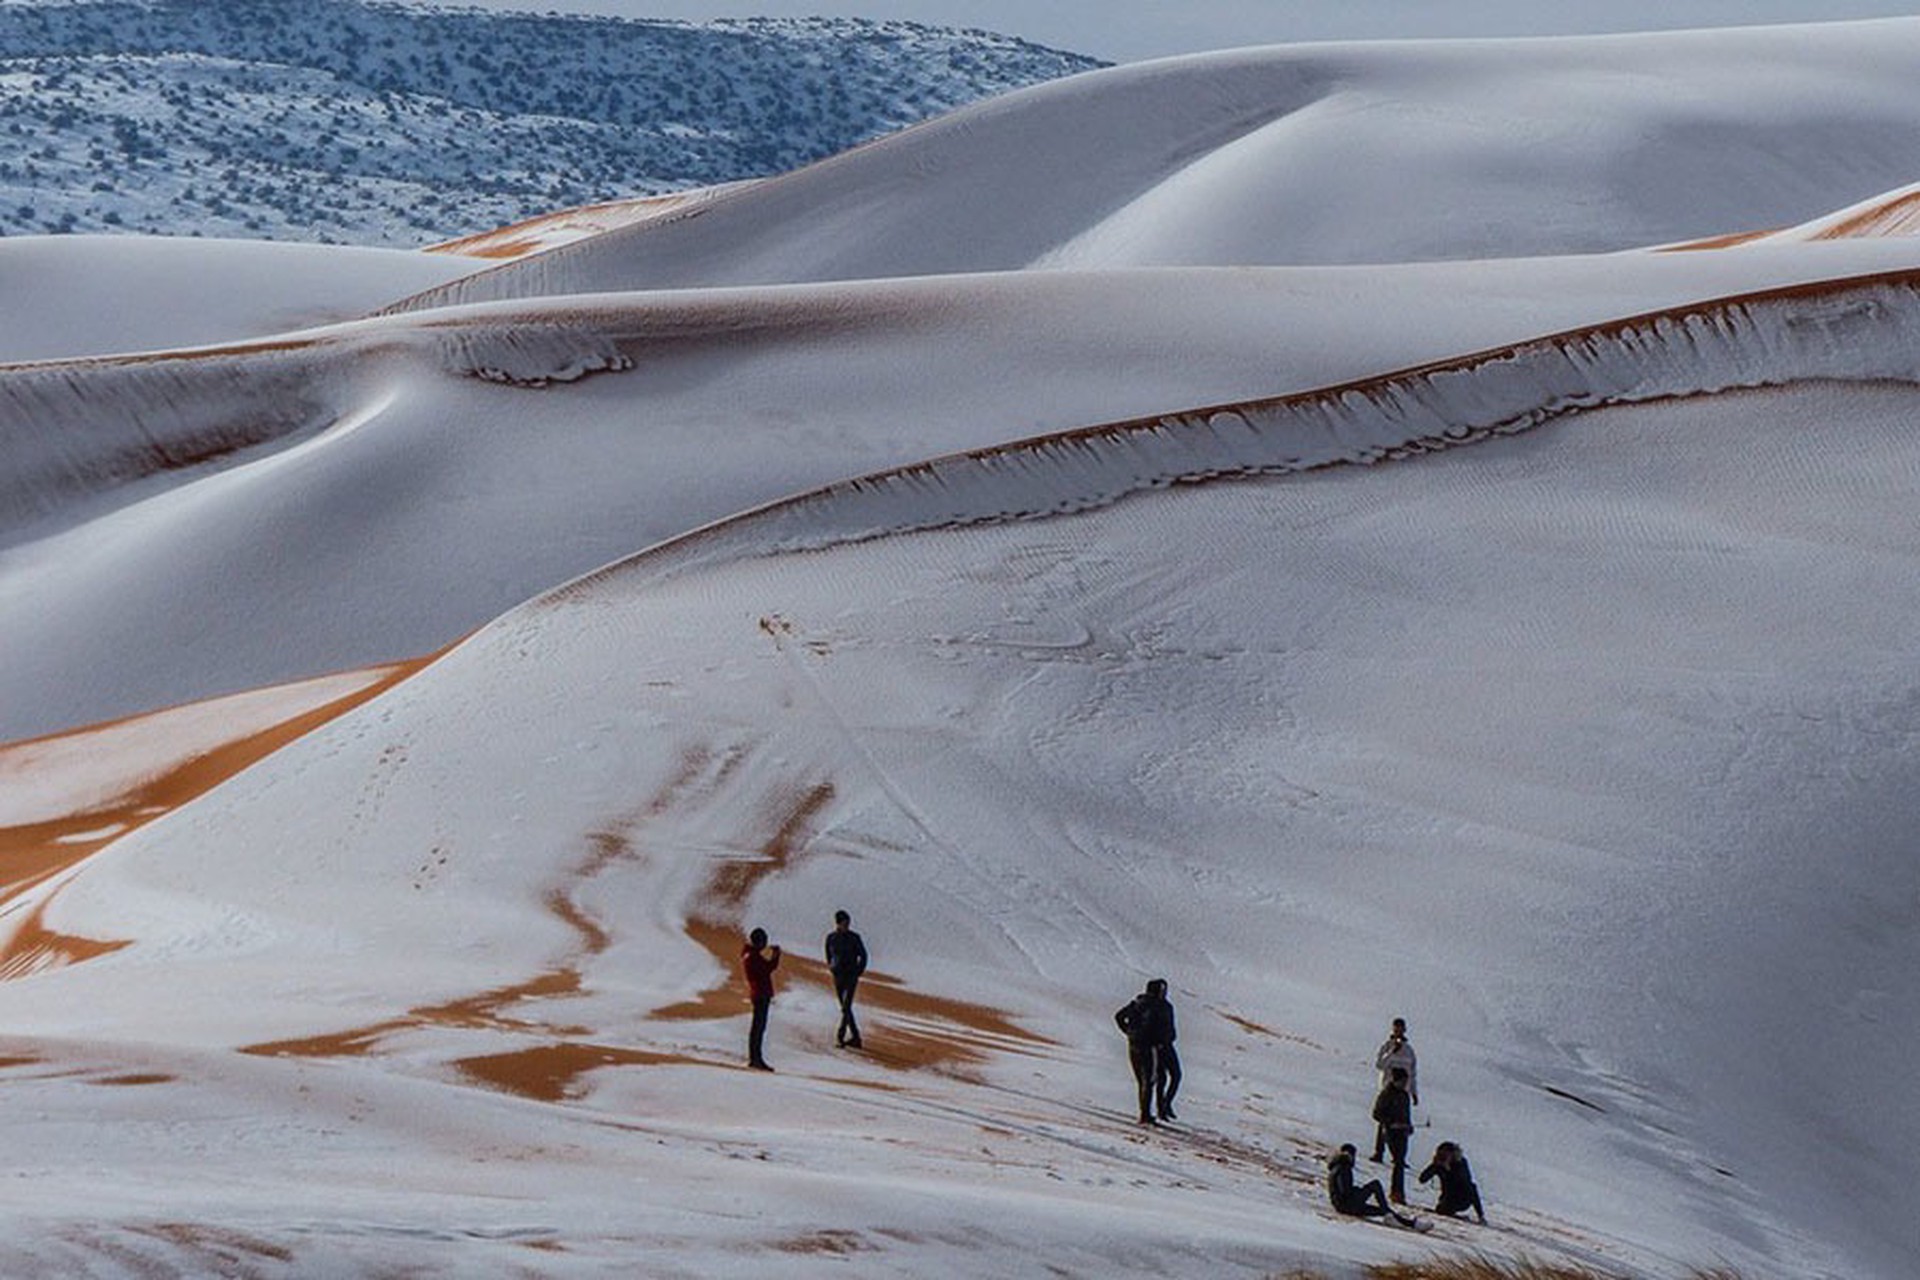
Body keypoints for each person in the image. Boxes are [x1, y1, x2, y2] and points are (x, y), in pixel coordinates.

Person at [1113, 978, 1180, 1123]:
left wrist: (1130, 1033)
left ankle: (1162, 1107)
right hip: (1149, 1046)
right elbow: (1119, 1016)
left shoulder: (1163, 1006)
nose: (1164, 992)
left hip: (1161, 1045)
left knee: (1165, 1077)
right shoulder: (1143, 1004)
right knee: (1149, 1080)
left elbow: (1120, 1017)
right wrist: (1132, 1033)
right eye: (1162, 989)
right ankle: (1146, 1114)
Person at [1326, 1143, 1417, 1225]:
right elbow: (1345, 1191)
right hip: (1348, 1204)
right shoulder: (1344, 1168)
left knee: (1380, 1211)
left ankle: (1408, 1223)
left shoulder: (1336, 1167)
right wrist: (1358, 1192)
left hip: (1341, 1206)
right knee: (1375, 1185)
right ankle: (1392, 1216)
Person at [1372, 1017, 1418, 1160]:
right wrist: (1392, 1052)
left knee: (1402, 1122)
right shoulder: (1387, 1047)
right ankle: (1379, 1152)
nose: (1398, 1031)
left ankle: (1399, 1156)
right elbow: (1379, 1065)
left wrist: (1414, 1092)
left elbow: (1413, 1072)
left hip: (1403, 1091)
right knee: (1385, 1121)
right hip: (1388, 1089)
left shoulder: (1409, 1051)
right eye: (1395, 1028)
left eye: (1400, 1028)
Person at [824, 909, 868, 1049]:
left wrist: (858, 971)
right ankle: (856, 1037)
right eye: (845, 923)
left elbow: (863, 955)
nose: (847, 925)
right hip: (838, 975)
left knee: (846, 1006)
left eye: (848, 923)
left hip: (851, 975)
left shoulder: (854, 937)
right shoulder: (831, 938)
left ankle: (840, 1036)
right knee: (844, 1007)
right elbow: (828, 955)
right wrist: (831, 967)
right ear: (838, 923)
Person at [1372, 1065, 1415, 1202]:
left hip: (1402, 1132)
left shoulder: (1404, 1095)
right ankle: (1396, 1193)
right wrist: (1391, 1123)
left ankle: (1398, 1192)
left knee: (1400, 1162)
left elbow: (1407, 1114)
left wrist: (1408, 1126)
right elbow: (1377, 1113)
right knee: (1398, 1162)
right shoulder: (1386, 1094)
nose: (1404, 1084)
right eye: (1402, 1081)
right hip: (1390, 1132)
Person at [741, 926, 781, 1070]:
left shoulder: (750, 955)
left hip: (759, 993)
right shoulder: (752, 956)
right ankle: (755, 1058)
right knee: (758, 1027)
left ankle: (756, 1058)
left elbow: (767, 968)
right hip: (760, 993)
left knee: (758, 1027)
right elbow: (767, 969)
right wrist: (775, 957)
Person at [1418, 1140, 1487, 1223]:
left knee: (1472, 1186)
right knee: (1443, 1209)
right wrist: (1433, 1166)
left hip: (1463, 1198)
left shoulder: (1461, 1163)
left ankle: (1481, 1215)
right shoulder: (1439, 1165)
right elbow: (1422, 1179)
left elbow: (1462, 1181)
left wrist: (1448, 1170)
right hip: (1447, 1198)